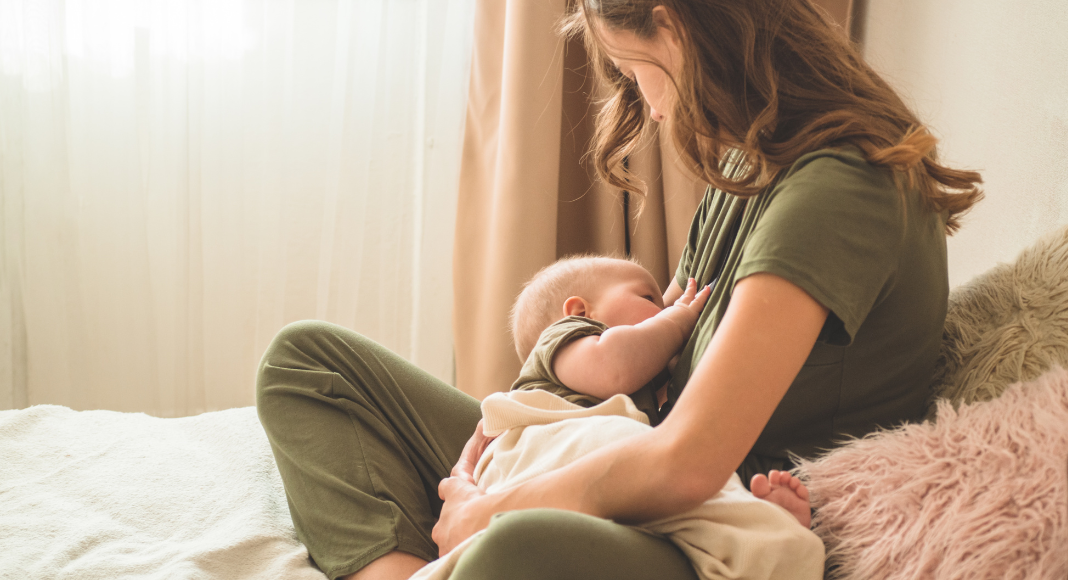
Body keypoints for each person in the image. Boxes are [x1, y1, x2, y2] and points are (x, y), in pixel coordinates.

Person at [256, 1, 983, 579]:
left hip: (713, 528)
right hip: (633, 459)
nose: (654, 109)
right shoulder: (753, 164)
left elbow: (688, 462)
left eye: (636, 74)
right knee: (308, 363)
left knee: (517, 551)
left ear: (674, 26)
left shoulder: (840, 187)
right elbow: (656, 367)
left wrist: (493, 509)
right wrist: (533, 434)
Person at [506, 254, 812, 526]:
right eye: (650, 298)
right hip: (546, 466)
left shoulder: (639, 400)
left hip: (598, 498)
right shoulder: (562, 341)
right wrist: (676, 324)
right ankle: (756, 523)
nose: (666, 308)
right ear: (580, 312)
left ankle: (765, 528)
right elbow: (615, 366)